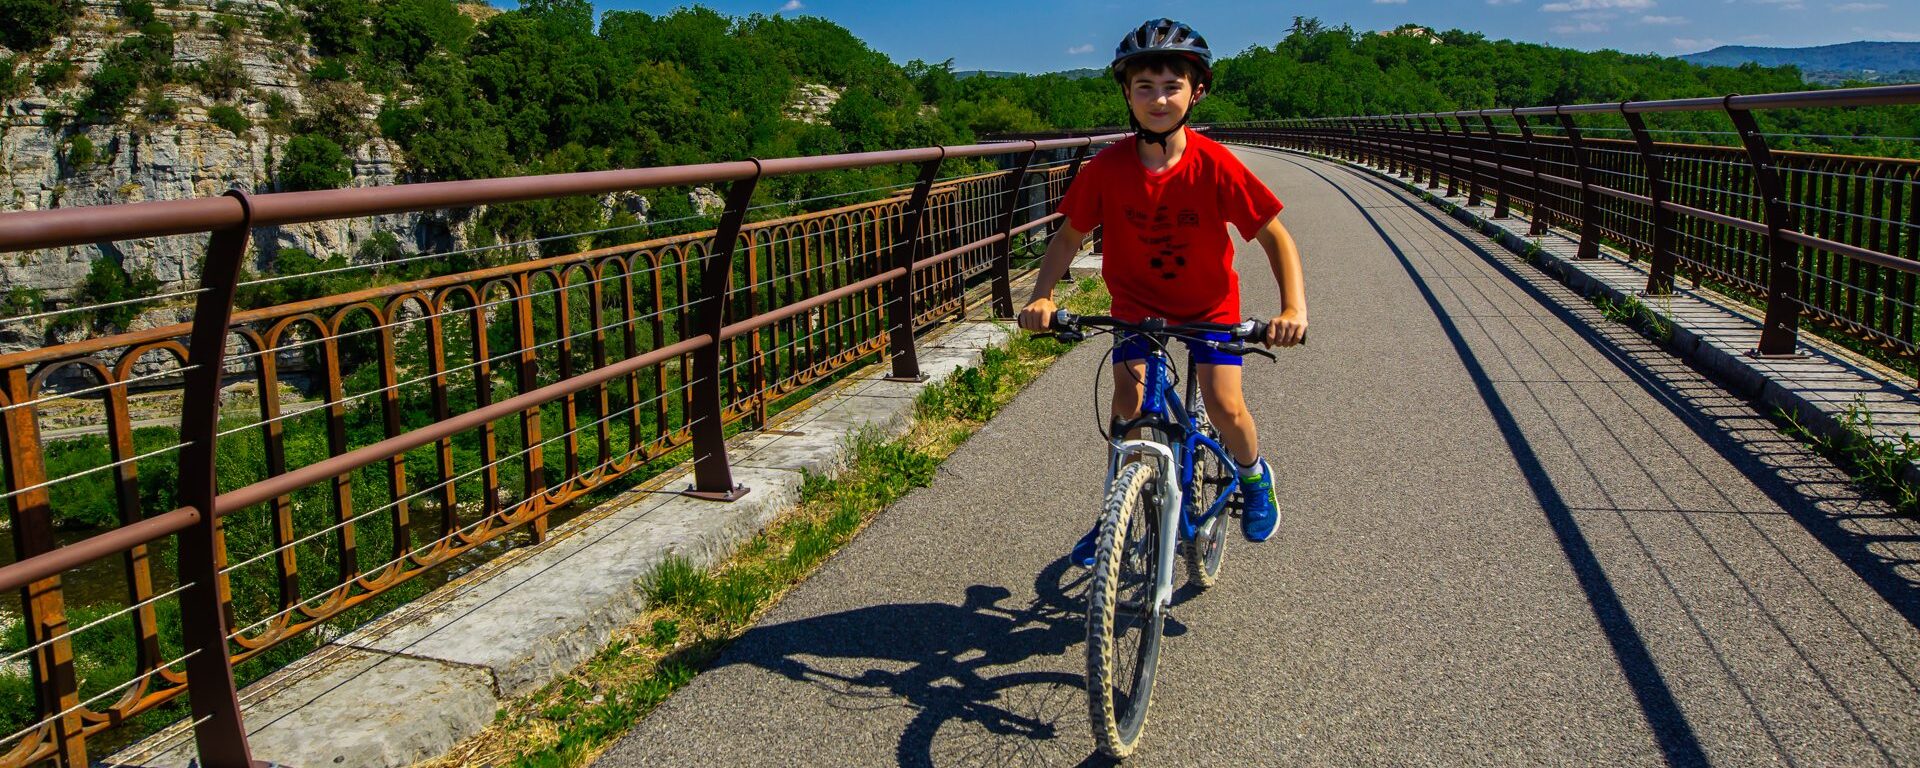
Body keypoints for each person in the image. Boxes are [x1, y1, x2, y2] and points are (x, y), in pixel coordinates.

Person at [1017, 18, 1308, 566]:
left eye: (1172, 86)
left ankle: (1254, 477)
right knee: (1127, 405)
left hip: (1209, 306)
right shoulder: (1106, 168)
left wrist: (1293, 307)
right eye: (1144, 87)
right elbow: (1068, 237)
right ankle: (1115, 512)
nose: (1158, 99)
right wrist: (1043, 296)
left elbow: (1275, 236)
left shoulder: (1214, 164)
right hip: (1137, 307)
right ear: (1127, 94)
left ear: (1195, 93)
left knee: (1224, 404)